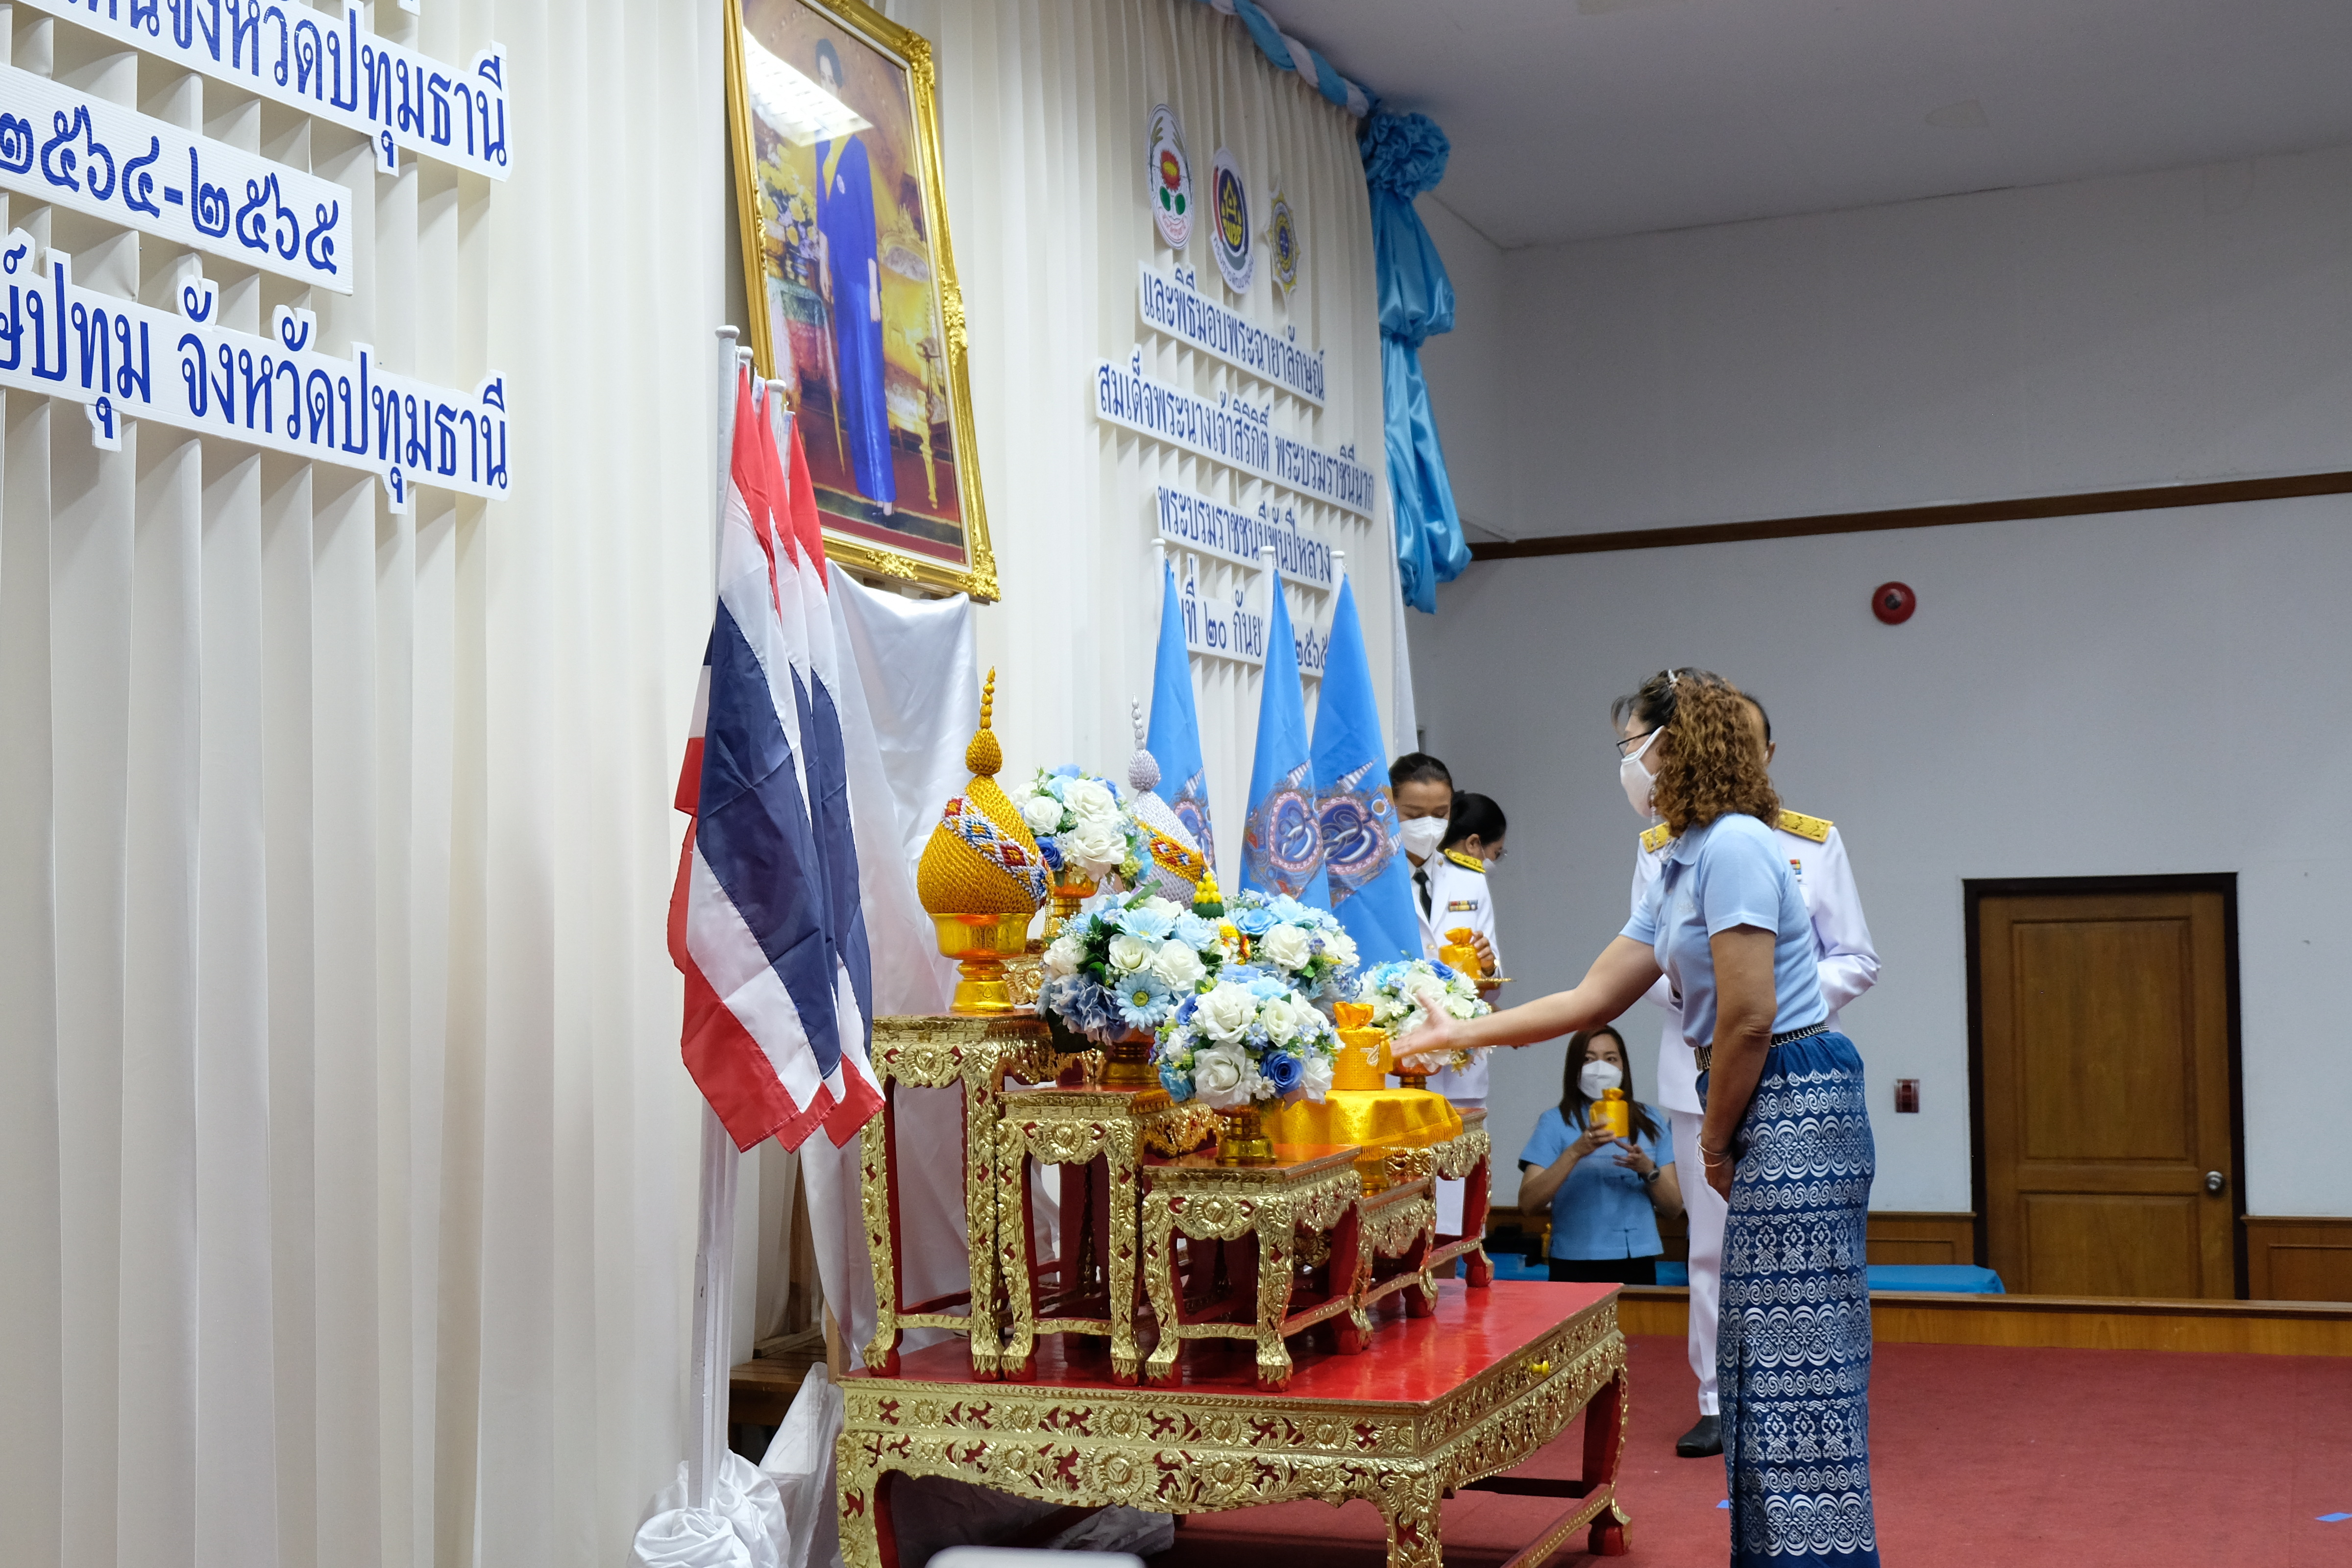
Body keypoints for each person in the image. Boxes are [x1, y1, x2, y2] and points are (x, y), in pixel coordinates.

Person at [1400, 670, 1880, 1568]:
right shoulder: (1678, 856)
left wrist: (1711, 1135)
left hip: (1795, 1096)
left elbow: (1748, 1016)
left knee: (1796, 1363)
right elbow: (1592, 997)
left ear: (1676, 747)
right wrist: (1456, 1030)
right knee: (1753, 1360)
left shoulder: (1736, 846)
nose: (1624, 763)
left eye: (1631, 746)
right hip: (1754, 1089)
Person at [1621, 677, 1879, 1460]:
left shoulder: (1802, 839)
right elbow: (1645, 960)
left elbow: (1855, 959)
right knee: (1710, 1245)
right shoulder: (1663, 848)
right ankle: (1716, 1397)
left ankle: (1799, 1415)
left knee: (1802, 1263)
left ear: (1762, 751)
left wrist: (1777, 993)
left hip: (1789, 1068)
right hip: (1696, 1062)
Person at [1390, 753, 1501, 1241]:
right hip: (1392, 1067)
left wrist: (1489, 967)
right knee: (1391, 1207)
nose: (1429, 825)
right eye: (1414, 815)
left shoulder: (1469, 878)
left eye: (1440, 813)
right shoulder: (1364, 880)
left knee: (1453, 1214)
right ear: (1388, 808)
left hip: (1457, 1066)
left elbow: (1493, 984)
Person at [1517, 1026, 1682, 1283]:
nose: (1600, 1067)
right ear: (1574, 1068)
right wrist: (1575, 1152)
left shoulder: (1651, 1120)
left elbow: (1673, 1208)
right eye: (1588, 1059)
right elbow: (1528, 1203)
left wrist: (1647, 1169)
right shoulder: (1555, 1122)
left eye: (1610, 1058)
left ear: (1623, 1067)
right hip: (1573, 1259)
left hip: (1636, 1258)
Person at [812, 37, 897, 512]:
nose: (827, 84)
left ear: (841, 84)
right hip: (838, 276)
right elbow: (824, 213)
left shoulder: (857, 150)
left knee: (869, 378)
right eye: (820, 77)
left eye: (831, 77)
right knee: (850, 374)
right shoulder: (821, 145)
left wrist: (876, 292)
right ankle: (867, 485)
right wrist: (824, 266)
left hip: (864, 281)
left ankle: (886, 493)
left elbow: (867, 225)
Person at [1439, 791, 1507, 868]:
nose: (1494, 860)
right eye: (1497, 853)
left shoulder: (1426, 875)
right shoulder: (1472, 880)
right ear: (1473, 843)